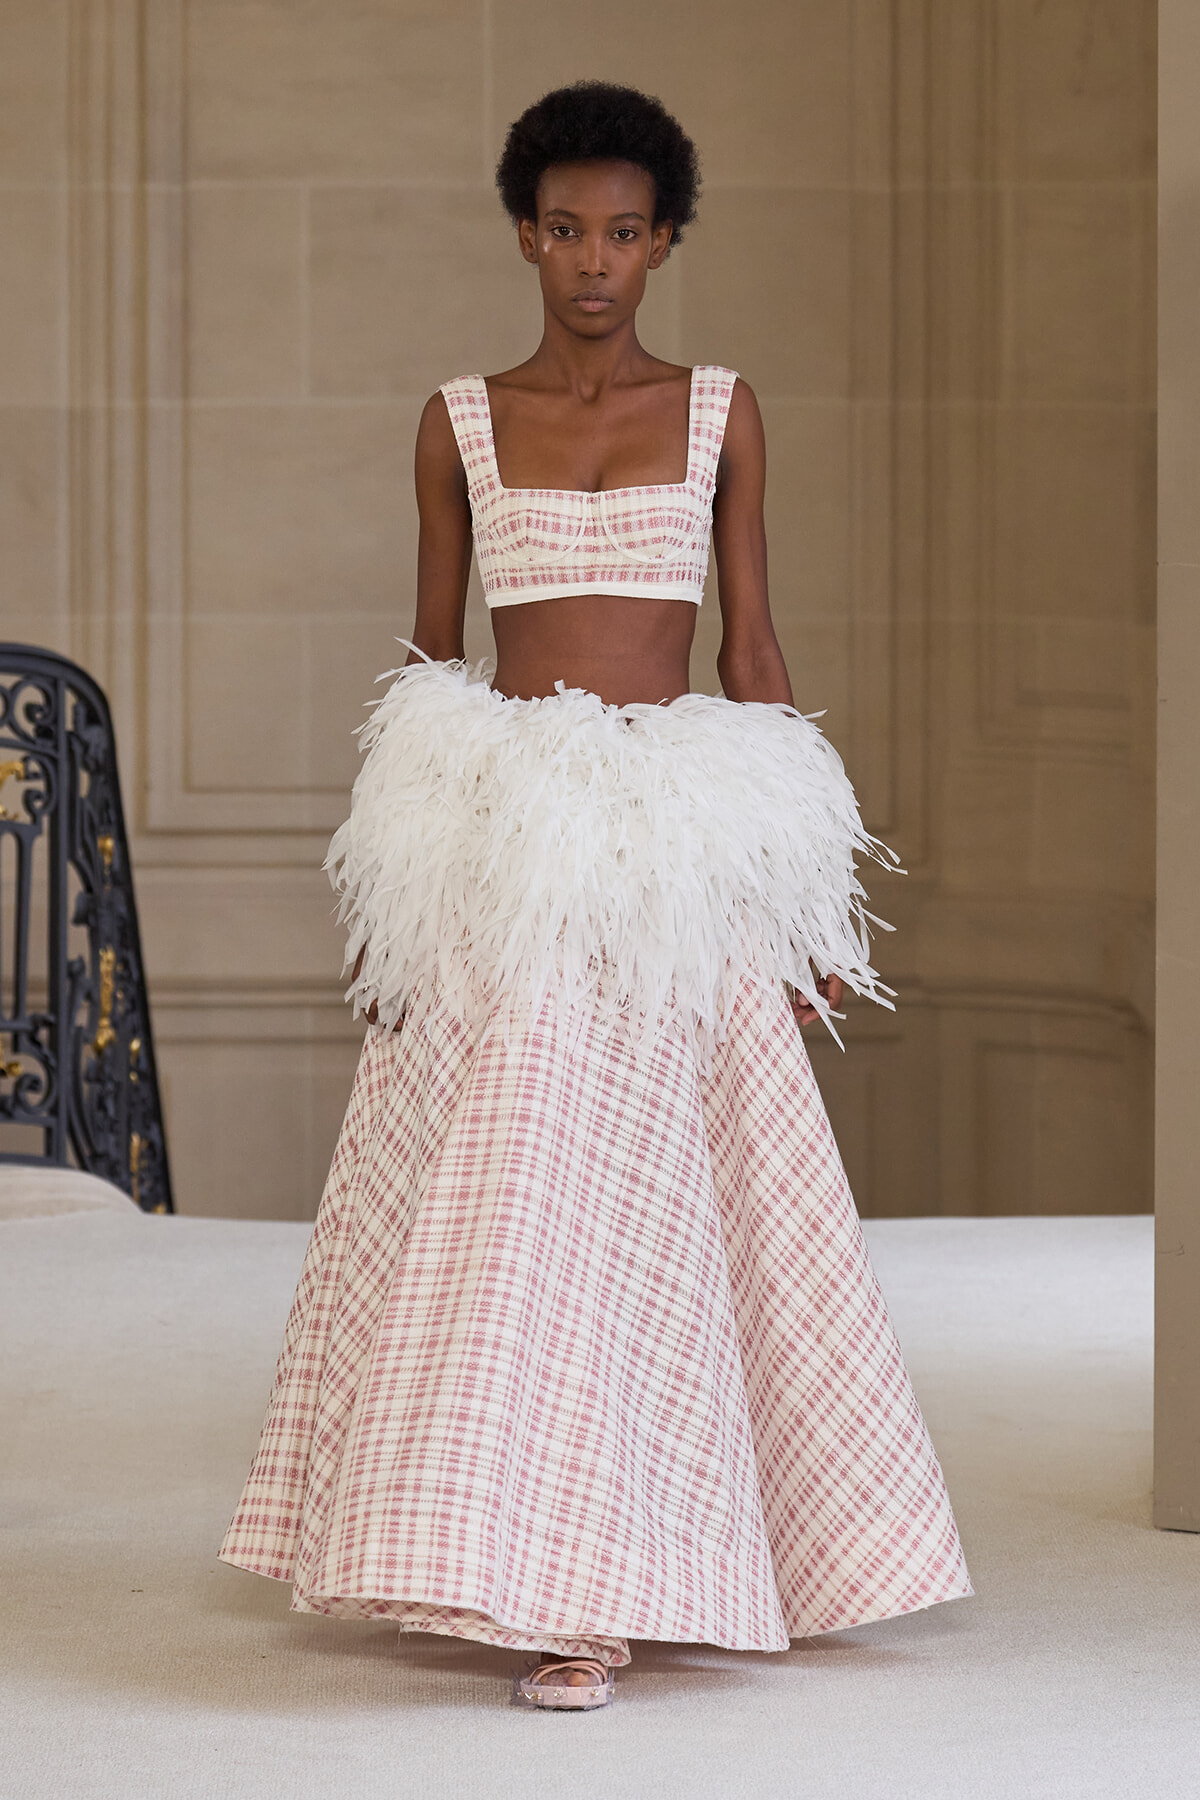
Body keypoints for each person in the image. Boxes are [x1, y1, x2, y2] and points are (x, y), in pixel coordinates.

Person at [220, 81, 972, 1712]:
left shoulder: (721, 414)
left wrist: (798, 905)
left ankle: (651, 1564)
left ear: (665, 244)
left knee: (666, 1212)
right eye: (566, 229)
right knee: (519, 1211)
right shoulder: (458, 421)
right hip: (509, 840)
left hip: (670, 848)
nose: (592, 262)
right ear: (524, 234)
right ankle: (550, 1575)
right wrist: (395, 902)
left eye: (624, 233)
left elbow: (754, 654)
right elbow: (428, 666)